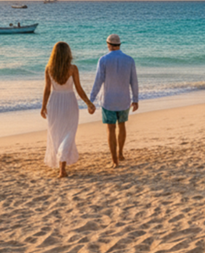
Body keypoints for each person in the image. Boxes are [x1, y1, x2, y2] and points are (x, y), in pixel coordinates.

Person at [41, 42, 95, 178]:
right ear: (67, 54)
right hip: (70, 103)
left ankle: (61, 166)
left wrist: (43, 106)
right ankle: (62, 168)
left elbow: (47, 89)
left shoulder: (48, 69)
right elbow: (79, 89)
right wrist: (88, 103)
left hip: (55, 104)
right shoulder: (73, 69)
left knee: (56, 134)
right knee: (69, 134)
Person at [89, 33, 139, 168]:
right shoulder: (129, 60)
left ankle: (114, 160)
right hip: (124, 100)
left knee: (111, 129)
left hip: (108, 100)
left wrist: (91, 99)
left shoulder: (103, 60)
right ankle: (120, 153)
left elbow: (98, 81)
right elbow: (133, 81)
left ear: (108, 45)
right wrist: (135, 99)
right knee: (122, 126)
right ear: (119, 45)